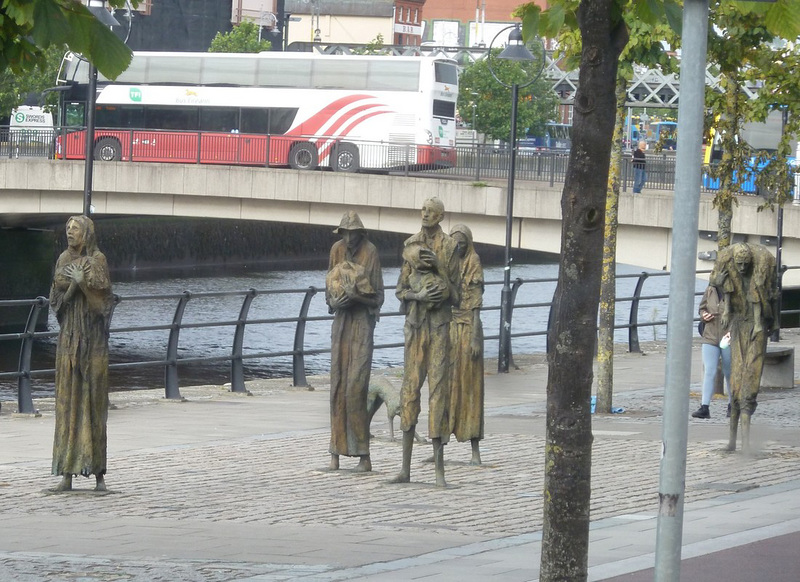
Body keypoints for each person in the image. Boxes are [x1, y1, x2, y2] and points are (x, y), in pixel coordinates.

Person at [391, 197, 459, 487]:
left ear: (441, 216)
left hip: (440, 327)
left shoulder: (451, 247)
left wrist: (440, 268)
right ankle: (405, 469)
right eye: (422, 210)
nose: (424, 215)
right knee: (410, 390)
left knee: (439, 393)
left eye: (430, 212)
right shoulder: (410, 245)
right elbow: (399, 291)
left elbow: (457, 296)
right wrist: (417, 296)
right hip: (416, 326)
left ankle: (439, 472)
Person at [50, 215, 113, 492]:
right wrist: (75, 284)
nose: (70, 233)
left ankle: (98, 474)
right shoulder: (64, 258)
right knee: (67, 405)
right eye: (67, 229)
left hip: (93, 342)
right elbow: (57, 302)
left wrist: (84, 285)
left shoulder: (98, 260)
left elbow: (104, 305)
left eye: (75, 229)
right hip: (69, 341)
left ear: (86, 233)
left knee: (94, 404)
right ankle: (66, 473)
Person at [325, 211, 384, 472]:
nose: (348, 239)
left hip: (361, 324)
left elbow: (378, 298)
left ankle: (364, 454)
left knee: (355, 388)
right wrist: (333, 302)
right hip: (341, 323)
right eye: (345, 233)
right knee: (337, 386)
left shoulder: (371, 252)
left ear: (361, 233)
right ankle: (335, 453)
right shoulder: (336, 250)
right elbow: (329, 288)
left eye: (353, 233)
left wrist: (356, 297)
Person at [710, 242, 777, 453]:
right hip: (738, 324)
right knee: (736, 382)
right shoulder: (726, 263)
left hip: (755, 328)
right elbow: (717, 282)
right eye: (738, 264)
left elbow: (765, 299)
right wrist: (719, 286)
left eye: (744, 264)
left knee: (749, 381)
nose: (741, 268)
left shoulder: (763, 261)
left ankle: (746, 444)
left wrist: (762, 323)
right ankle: (732, 441)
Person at [448, 224, 485, 465]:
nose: (458, 247)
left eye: (462, 243)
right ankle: (439, 443)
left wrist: (474, 339)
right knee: (445, 387)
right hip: (448, 328)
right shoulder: (448, 261)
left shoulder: (474, 261)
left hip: (467, 328)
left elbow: (476, 307)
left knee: (470, 389)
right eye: (455, 243)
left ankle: (474, 450)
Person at [691, 284, 731, 420]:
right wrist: (704, 315)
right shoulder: (710, 289)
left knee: (729, 371)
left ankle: (732, 405)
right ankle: (704, 407)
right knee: (709, 370)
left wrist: (734, 330)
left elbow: (741, 313)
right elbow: (702, 308)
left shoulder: (735, 289)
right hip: (710, 335)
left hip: (729, 336)